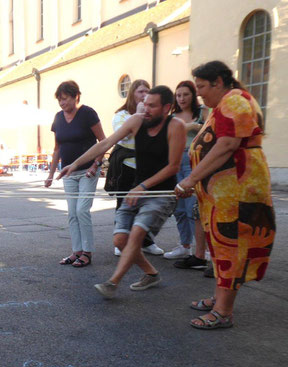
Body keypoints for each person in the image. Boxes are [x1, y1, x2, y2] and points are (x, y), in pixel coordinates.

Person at [59, 85, 186, 298]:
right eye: (145, 104)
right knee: (120, 240)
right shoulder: (137, 121)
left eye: (152, 106)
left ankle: (112, 282)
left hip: (160, 194)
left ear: (167, 108)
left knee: (135, 234)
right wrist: (75, 164)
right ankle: (151, 273)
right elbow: (106, 143)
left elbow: (173, 167)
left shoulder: (176, 126)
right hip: (137, 190)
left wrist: (142, 187)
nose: (146, 109)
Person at [176, 61, 276, 329]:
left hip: (237, 191)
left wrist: (190, 179)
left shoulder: (235, 100)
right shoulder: (224, 104)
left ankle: (223, 312)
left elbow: (228, 144)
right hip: (223, 193)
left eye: (201, 88)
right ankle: (219, 298)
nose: (199, 95)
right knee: (220, 247)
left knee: (231, 247)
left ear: (219, 82)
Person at [45, 80, 106, 268]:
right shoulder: (58, 117)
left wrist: (96, 164)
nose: (62, 104)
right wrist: (50, 174)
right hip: (68, 173)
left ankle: (87, 252)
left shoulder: (88, 113)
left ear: (76, 96)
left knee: (82, 210)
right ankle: (76, 251)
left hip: (88, 171)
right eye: (60, 101)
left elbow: (103, 141)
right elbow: (57, 148)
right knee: (72, 212)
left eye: (65, 99)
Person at [106, 79, 164, 257]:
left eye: (147, 91)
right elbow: (125, 135)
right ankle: (121, 241)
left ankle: (146, 242)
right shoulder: (121, 115)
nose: (144, 95)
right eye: (140, 91)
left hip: (147, 167)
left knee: (146, 205)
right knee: (124, 204)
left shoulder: (153, 115)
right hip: (127, 166)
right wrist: (138, 115)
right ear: (132, 94)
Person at [164, 80, 209, 260]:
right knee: (179, 207)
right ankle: (184, 245)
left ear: (193, 95)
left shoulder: (202, 111)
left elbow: (210, 132)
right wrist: (189, 127)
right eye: (179, 95)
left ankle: (202, 250)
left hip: (194, 160)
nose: (181, 98)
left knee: (194, 207)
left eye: (186, 94)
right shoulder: (172, 116)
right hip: (175, 159)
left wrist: (192, 126)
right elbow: (166, 137)